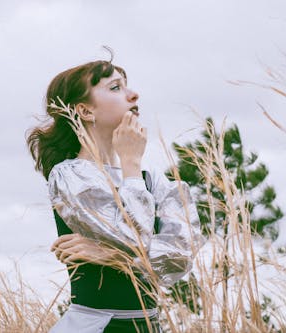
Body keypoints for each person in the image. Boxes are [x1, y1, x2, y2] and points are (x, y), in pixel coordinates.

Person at [27, 56, 205, 333]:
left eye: (127, 86)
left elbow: (182, 257)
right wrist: (131, 163)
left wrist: (113, 254)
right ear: (85, 111)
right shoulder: (70, 175)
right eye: (115, 88)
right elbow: (132, 237)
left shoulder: (153, 179)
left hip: (147, 325)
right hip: (93, 326)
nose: (134, 94)